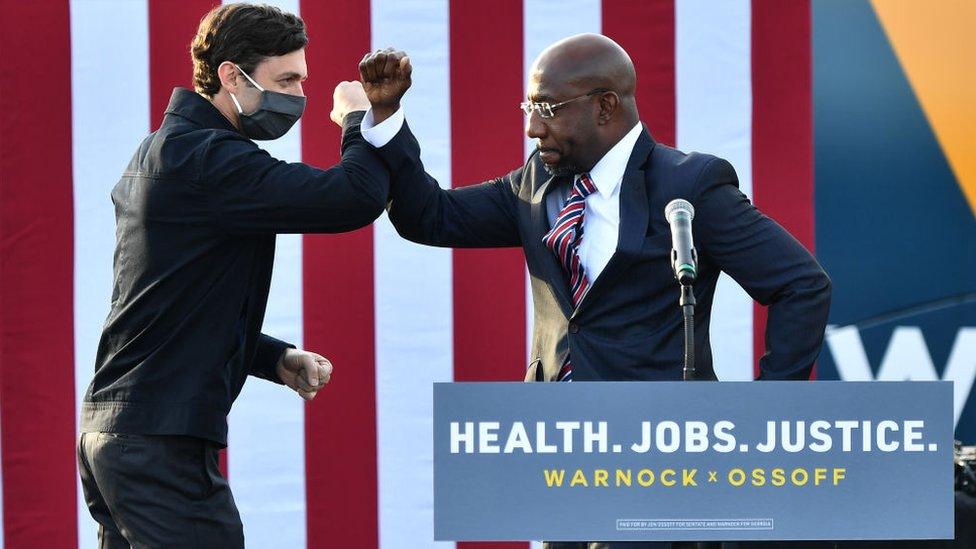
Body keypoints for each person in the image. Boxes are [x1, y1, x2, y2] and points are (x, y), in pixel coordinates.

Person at [352, 35, 831, 549]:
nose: (533, 127)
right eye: (529, 108)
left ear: (606, 106)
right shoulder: (536, 183)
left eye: (549, 109)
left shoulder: (689, 186)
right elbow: (431, 216)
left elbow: (801, 285)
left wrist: (766, 415)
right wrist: (386, 119)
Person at [76, 4, 401, 548]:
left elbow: (174, 304)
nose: (300, 95)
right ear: (231, 75)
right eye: (287, 78)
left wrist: (271, 356)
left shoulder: (166, 152)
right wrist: (356, 120)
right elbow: (354, 198)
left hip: (120, 435)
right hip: (157, 445)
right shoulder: (209, 160)